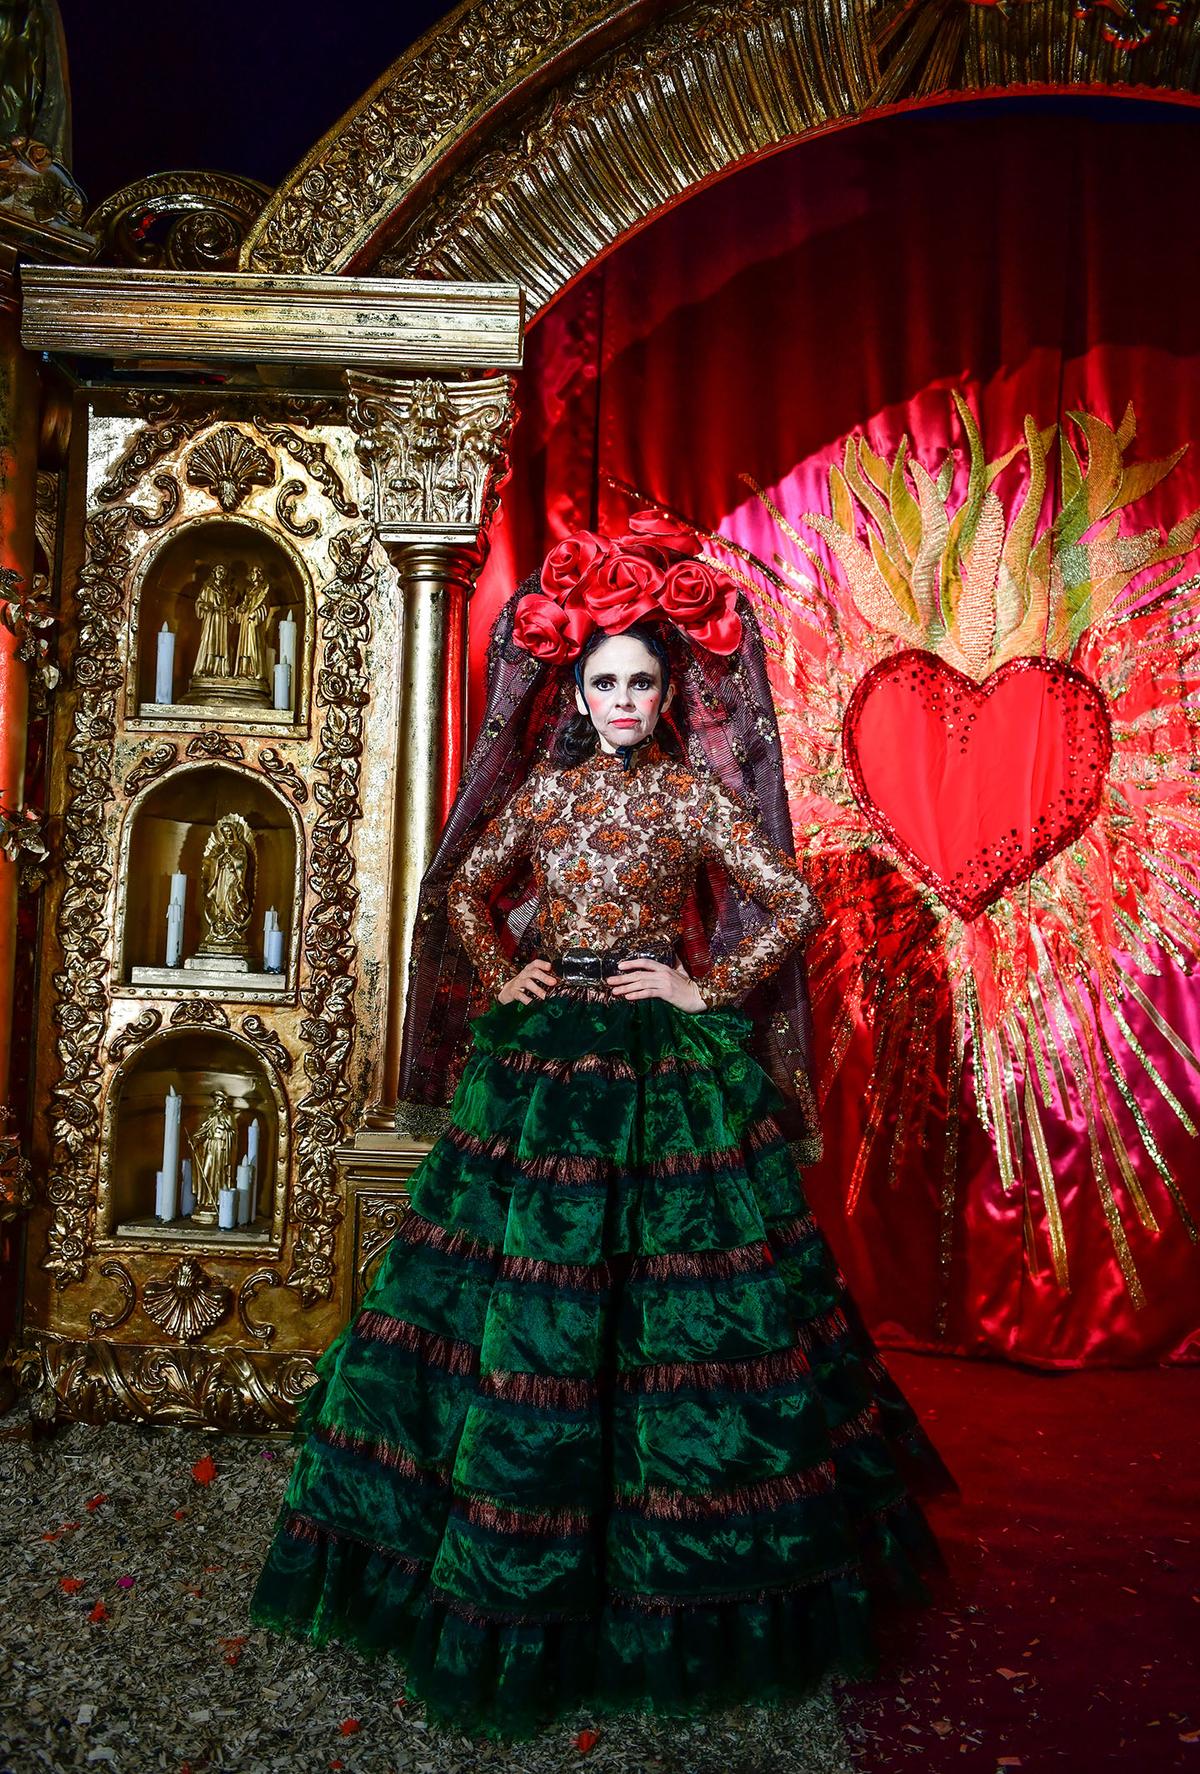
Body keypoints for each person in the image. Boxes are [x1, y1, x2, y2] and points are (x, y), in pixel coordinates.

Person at [248, 513, 953, 1740]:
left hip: (664, 1070)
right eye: (605, 680)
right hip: (546, 1062)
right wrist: (505, 962)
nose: (624, 697)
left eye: (642, 680)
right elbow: (465, 882)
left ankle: (670, 1571)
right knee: (529, 1300)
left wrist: (703, 983)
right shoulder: (544, 792)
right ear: (575, 690)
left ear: (669, 690)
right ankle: (508, 1554)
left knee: (680, 1302)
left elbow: (785, 899)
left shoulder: (688, 794)